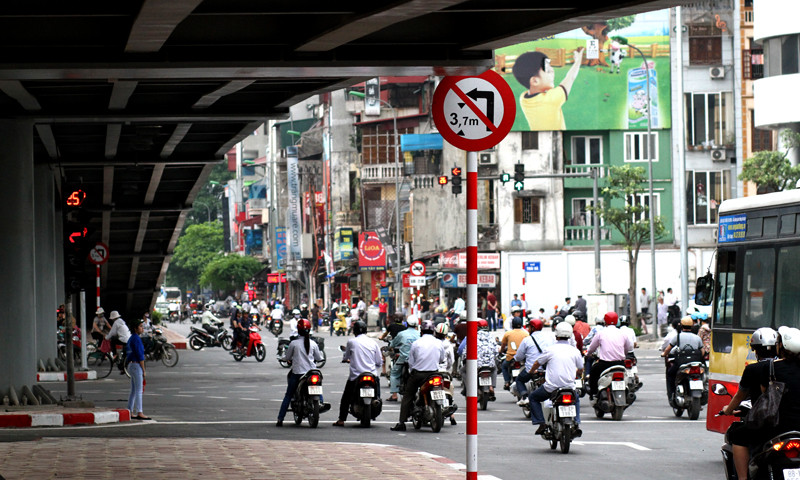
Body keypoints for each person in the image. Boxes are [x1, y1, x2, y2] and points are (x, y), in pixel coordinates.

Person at [721, 327, 781, 479]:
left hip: (765, 422)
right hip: (788, 423)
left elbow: (739, 397)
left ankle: (742, 478)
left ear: (755, 350)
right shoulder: (788, 366)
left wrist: (728, 409)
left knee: (737, 435)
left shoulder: (753, 369)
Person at [527, 322, 584, 434]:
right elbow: (581, 368)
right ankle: (576, 422)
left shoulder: (550, 349)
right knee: (576, 399)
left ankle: (541, 423)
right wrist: (579, 374)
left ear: (556, 335)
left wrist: (531, 371)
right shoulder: (575, 351)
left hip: (551, 388)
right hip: (569, 387)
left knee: (533, 398)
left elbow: (538, 363)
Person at [391, 319, 445, 431]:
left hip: (418, 374)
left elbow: (411, 362)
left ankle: (402, 422)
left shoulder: (417, 343)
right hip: (434, 374)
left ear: (421, 331)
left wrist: (413, 370)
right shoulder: (439, 343)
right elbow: (441, 359)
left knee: (408, 395)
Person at [512, 47, 585, 130]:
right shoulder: (550, 100)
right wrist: (578, 61)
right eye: (548, 71)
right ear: (535, 81)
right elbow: (570, 78)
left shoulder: (523, 99)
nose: (553, 71)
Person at [276, 319, 330, 426]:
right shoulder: (313, 343)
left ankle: (280, 419)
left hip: (297, 373)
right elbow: (319, 358)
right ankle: (320, 402)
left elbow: (287, 357)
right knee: (318, 388)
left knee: (288, 395)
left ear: (298, 330)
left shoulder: (294, 343)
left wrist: (284, 359)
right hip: (311, 372)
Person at [333, 320, 383, 427]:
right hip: (372, 374)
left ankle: (341, 419)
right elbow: (379, 361)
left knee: (346, 397)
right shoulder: (373, 342)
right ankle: (377, 399)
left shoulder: (351, 342)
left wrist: (346, 360)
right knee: (377, 393)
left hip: (356, 376)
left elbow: (346, 357)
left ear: (354, 331)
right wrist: (374, 368)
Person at [586, 312, 632, 399]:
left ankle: (594, 394)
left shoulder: (600, 333)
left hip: (604, 364)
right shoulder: (623, 333)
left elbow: (592, 348)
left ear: (605, 321)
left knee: (593, 372)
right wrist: (623, 356)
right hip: (620, 363)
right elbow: (628, 348)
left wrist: (588, 354)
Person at [660, 316, 704, 399]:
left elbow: (668, 349)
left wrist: (664, 354)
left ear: (681, 326)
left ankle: (672, 394)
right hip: (695, 363)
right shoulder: (697, 338)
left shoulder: (678, 337)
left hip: (681, 362)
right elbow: (702, 351)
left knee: (670, 374)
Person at [514, 318, 556, 405]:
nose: (528, 329)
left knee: (519, 380)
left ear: (533, 328)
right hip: (546, 369)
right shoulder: (549, 338)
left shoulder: (527, 340)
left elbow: (518, 357)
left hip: (532, 369)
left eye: (529, 327)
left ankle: (524, 397)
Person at [457, 319, 498, 397]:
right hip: (490, 364)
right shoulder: (492, 337)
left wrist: (464, 358)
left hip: (475, 364)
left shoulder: (471, 336)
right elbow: (496, 351)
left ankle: (471, 388)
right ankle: (491, 386)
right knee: (495, 369)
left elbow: (463, 350)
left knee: (462, 371)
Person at [388, 315, 420, 402]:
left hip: (403, 358)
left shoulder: (402, 334)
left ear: (407, 324)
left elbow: (393, 344)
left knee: (394, 373)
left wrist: (390, 345)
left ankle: (394, 395)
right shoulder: (419, 334)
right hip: (416, 360)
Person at [126, 318, 150, 420]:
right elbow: (140, 356)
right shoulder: (137, 339)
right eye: (140, 326)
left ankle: (130, 411)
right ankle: (140, 411)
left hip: (131, 365)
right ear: (135, 328)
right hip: (136, 366)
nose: (142, 328)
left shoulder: (131, 338)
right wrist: (144, 370)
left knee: (134, 390)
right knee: (139, 390)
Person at [500, 311, 530, 390]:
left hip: (510, 358)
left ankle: (507, 381)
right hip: (523, 358)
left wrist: (500, 351)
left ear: (512, 324)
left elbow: (503, 345)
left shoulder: (508, 333)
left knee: (504, 366)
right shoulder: (526, 334)